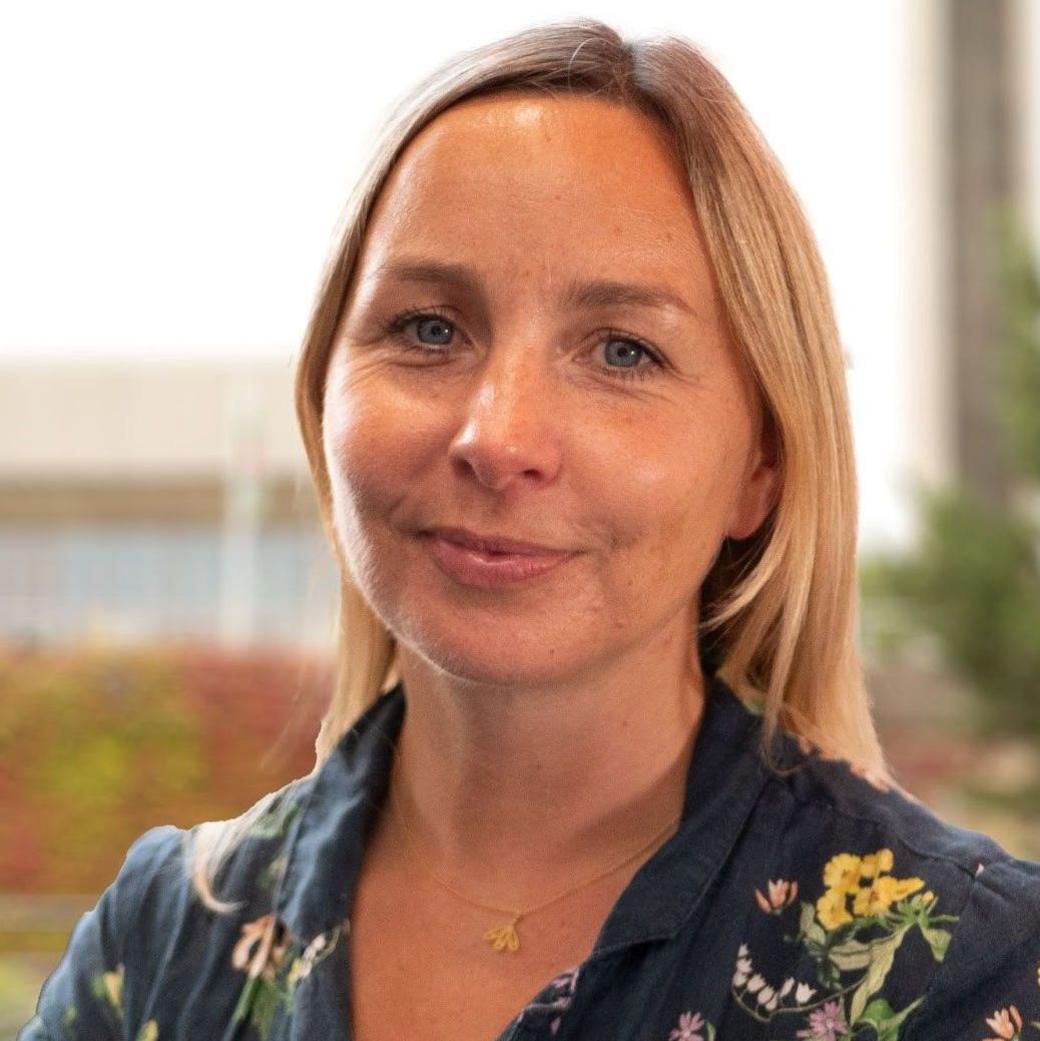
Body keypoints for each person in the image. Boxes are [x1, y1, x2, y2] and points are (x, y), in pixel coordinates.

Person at [18, 17, 1040, 1041]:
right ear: (321, 397)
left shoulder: (964, 969)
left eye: (622, 353)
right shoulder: (161, 942)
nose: (496, 438)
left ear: (759, 471)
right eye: (427, 328)